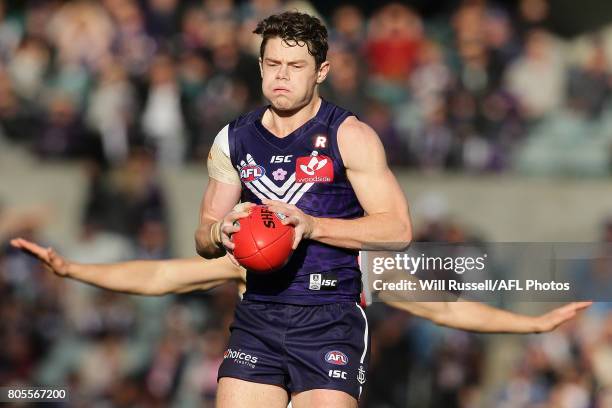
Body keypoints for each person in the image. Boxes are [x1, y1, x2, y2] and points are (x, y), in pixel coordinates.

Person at [186, 11, 590, 408]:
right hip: (259, 315)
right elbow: (203, 233)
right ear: (259, 65)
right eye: (272, 63)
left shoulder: (351, 136)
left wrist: (312, 226)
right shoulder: (233, 139)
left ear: (322, 71)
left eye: (296, 65)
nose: (282, 75)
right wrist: (218, 231)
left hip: (329, 320)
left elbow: (398, 230)